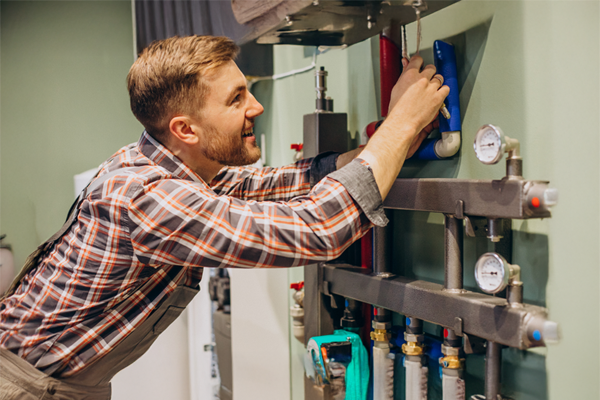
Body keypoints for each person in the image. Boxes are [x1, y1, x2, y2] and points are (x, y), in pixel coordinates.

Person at [0, 35, 448, 399]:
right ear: (185, 129)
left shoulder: (174, 166)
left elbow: (291, 182)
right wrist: (401, 125)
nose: (256, 107)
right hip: (27, 388)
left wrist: (391, 140)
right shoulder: (148, 197)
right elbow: (318, 230)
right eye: (237, 99)